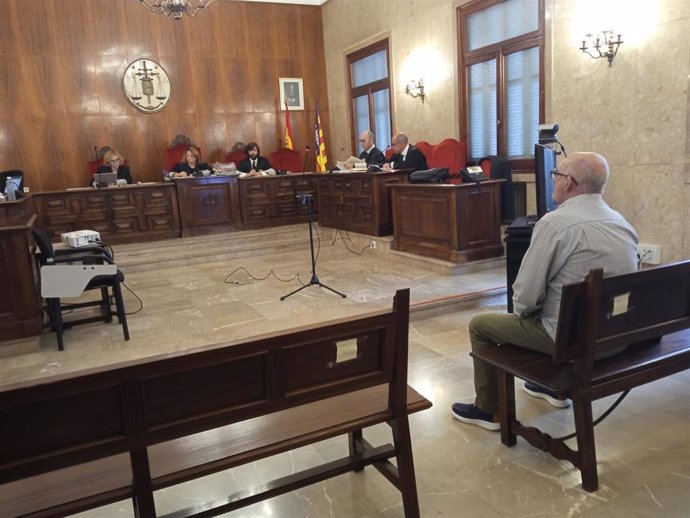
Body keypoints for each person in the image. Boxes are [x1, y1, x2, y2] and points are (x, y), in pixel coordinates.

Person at [451, 152, 638, 431]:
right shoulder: (621, 222)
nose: (554, 180)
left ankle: (490, 410)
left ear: (569, 183)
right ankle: (553, 390)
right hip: (615, 338)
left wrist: (530, 314)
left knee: (480, 325)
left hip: (570, 343)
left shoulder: (554, 224)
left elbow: (524, 300)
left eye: (557, 175)